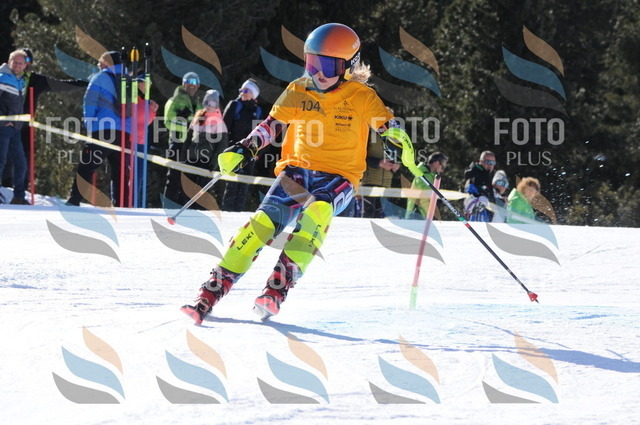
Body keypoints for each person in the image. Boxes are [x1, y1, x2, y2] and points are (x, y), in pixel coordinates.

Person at [181, 23, 403, 324]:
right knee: (260, 225)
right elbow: (272, 125)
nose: (319, 73)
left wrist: (399, 142)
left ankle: (276, 289)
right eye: (312, 63)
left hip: (339, 177)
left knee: (317, 213)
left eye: (328, 66)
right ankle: (210, 292)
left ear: (347, 66)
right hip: (296, 171)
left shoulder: (362, 96)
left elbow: (388, 127)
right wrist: (245, 148)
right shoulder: (298, 89)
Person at [1, 48, 87, 190]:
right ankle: (5, 186)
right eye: (17, 61)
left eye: (25, 61)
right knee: (5, 156)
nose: (21, 64)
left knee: (24, 157)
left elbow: (61, 85)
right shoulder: (4, 76)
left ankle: (21, 189)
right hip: (5, 123)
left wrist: (84, 82)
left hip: (25, 125)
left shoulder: (35, 79)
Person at [66, 51, 129, 207]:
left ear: (107, 63)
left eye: (100, 61)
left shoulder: (100, 77)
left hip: (102, 129)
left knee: (87, 165)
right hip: (124, 132)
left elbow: (90, 103)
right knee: (120, 170)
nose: (98, 64)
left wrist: (89, 126)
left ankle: (74, 200)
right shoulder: (129, 79)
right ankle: (122, 205)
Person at [221, 78, 263, 211]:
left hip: (250, 152)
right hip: (234, 149)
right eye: (241, 90)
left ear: (253, 94)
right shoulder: (234, 105)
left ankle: (238, 213)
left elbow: (261, 133)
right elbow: (224, 129)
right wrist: (227, 148)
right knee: (231, 184)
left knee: (244, 184)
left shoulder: (258, 110)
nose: (242, 93)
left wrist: (258, 152)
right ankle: (228, 211)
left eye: (246, 91)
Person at [163, 72, 202, 204]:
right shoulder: (174, 100)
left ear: (198, 85)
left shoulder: (198, 103)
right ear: (184, 83)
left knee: (188, 178)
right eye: (188, 81)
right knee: (173, 176)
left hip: (191, 145)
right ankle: (168, 205)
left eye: (194, 82)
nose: (191, 85)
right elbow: (168, 121)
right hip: (177, 142)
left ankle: (184, 207)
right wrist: (185, 125)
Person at [183, 89, 228, 191]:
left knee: (200, 191)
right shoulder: (198, 117)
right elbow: (188, 139)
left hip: (206, 162)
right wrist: (183, 156)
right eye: (207, 102)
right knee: (187, 189)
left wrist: (213, 164)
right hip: (191, 159)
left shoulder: (219, 123)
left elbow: (221, 146)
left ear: (216, 105)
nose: (209, 106)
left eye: (212, 103)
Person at [0, 50, 29, 205]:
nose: (17, 65)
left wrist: (16, 123)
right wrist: (5, 121)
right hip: (3, 127)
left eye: (20, 63)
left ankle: (19, 197)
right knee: (1, 161)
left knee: (20, 163)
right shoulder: (2, 77)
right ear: (9, 62)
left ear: (25, 65)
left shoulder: (21, 80)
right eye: (15, 62)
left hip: (15, 128)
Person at [130, 73, 159, 205]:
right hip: (131, 141)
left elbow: (145, 122)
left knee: (139, 175)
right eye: (147, 84)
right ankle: (129, 202)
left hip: (141, 142)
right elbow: (136, 118)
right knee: (131, 175)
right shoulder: (133, 98)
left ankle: (134, 202)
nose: (149, 87)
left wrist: (152, 111)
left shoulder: (144, 102)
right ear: (139, 83)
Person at [405, 151, 447, 219]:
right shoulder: (421, 174)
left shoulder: (431, 176)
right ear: (436, 163)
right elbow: (425, 191)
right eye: (442, 167)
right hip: (416, 214)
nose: (442, 170)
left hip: (424, 215)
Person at [462, 150, 496, 221]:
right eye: (488, 162)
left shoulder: (488, 174)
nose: (490, 165)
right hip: (477, 212)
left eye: (493, 163)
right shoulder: (476, 173)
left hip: (487, 212)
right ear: (481, 161)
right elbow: (470, 193)